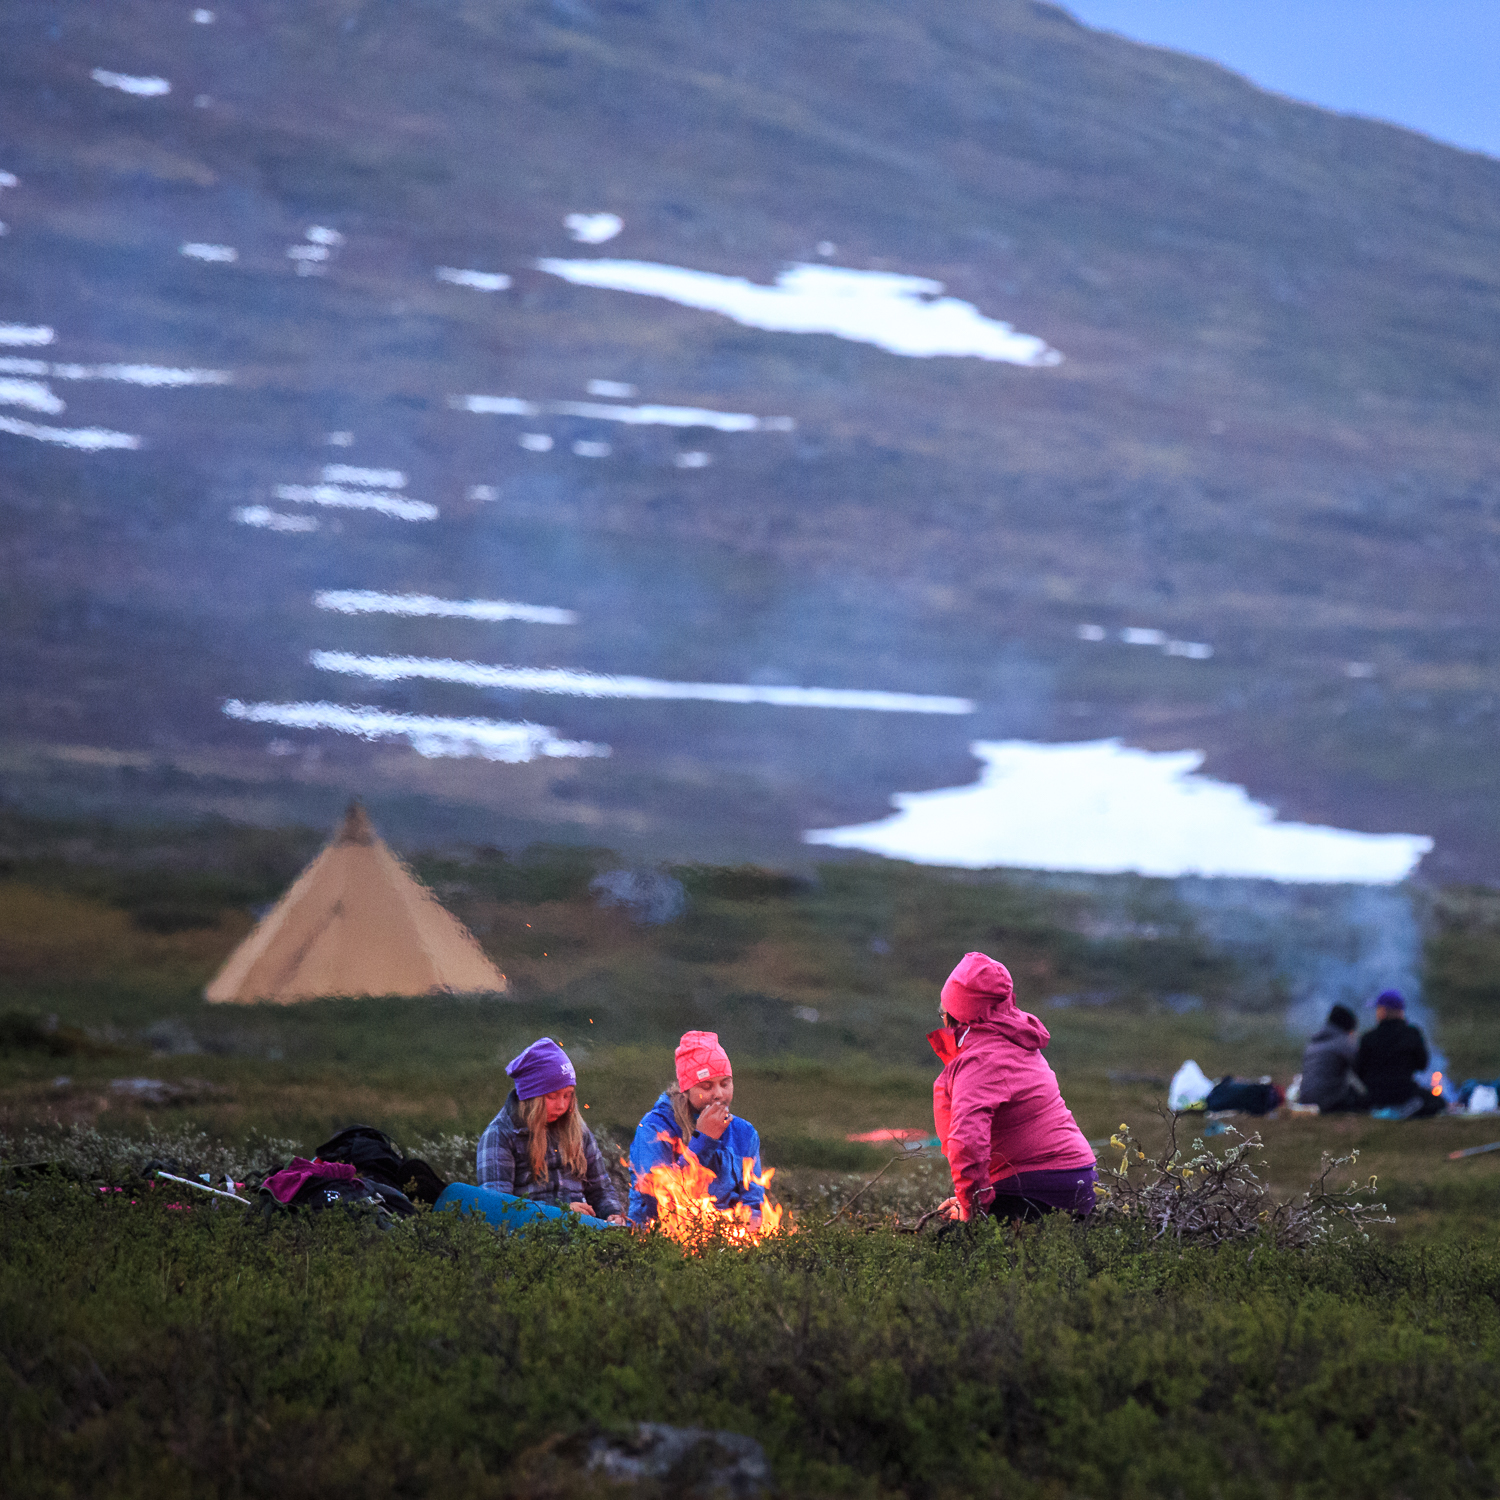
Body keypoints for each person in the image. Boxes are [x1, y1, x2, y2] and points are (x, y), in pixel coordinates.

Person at [932, 952, 1097, 1223]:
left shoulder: (979, 1061)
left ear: (959, 1014)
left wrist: (972, 1210)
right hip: (1076, 1177)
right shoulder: (1018, 1040)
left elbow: (968, 1143)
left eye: (944, 1010)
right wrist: (972, 1200)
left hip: (1036, 1184)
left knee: (954, 1248)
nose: (942, 1017)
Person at [474, 1037, 626, 1222]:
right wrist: (560, 1213)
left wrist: (612, 1214)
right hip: (529, 1241)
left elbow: (600, 1190)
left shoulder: (578, 1130)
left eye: (568, 1095)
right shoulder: (499, 1136)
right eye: (552, 1097)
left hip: (585, 1235)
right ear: (531, 1097)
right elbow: (497, 1210)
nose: (562, 1105)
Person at [628, 1030, 765, 1226]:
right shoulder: (654, 1128)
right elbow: (658, 1203)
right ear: (686, 1089)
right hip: (657, 1240)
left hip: (723, 1241)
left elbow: (753, 1203)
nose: (718, 1094)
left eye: (725, 1084)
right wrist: (704, 1141)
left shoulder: (744, 1133)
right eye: (706, 1087)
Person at [1355, 991, 1443, 1117]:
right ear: (1401, 1012)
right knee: (1437, 1102)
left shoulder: (1368, 1038)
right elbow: (1422, 1064)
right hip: (1405, 1093)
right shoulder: (1412, 1034)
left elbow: (1359, 1069)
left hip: (1375, 1096)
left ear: (1383, 1011)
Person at [1298, 1004, 1368, 1112]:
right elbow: (1361, 1069)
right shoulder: (1343, 1042)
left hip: (1305, 1099)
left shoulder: (1314, 1042)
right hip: (1326, 1101)